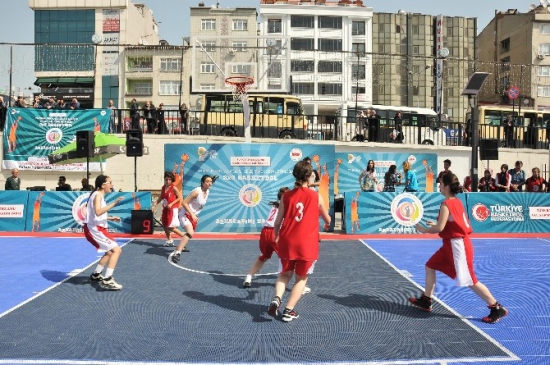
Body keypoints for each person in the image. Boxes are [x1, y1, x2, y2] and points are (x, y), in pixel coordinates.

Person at [410, 173, 508, 324]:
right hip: (452, 244)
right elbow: (449, 223)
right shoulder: (456, 201)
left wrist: (422, 229)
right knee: (430, 266)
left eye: (441, 183)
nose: (439, 185)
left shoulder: (445, 204)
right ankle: (426, 300)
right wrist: (434, 225)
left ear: (447, 186)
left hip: (457, 246)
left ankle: (496, 307)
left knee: (470, 280)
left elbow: (440, 228)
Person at [268, 160, 331, 322]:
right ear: (309, 175)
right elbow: (327, 218)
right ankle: (288, 310)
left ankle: (276, 298)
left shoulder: (286, 196)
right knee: (301, 278)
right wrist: (327, 220)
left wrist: (276, 235)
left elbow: (277, 221)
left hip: (287, 240)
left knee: (284, 274)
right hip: (306, 243)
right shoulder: (315, 196)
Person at [243, 187, 290, 288]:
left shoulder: (275, 206)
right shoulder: (286, 206)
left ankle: (249, 276)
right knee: (287, 259)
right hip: (275, 232)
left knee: (263, 257)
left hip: (265, 232)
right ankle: (295, 284)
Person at [84, 175, 124, 290]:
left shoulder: (98, 195)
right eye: (110, 183)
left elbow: (94, 214)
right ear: (103, 185)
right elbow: (97, 212)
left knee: (110, 252)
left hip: (96, 228)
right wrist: (114, 204)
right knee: (117, 250)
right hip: (95, 229)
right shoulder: (97, 195)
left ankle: (96, 275)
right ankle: (107, 279)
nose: (112, 185)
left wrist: (110, 218)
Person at [170, 174, 218, 263]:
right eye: (207, 181)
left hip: (192, 216)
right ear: (202, 183)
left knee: (190, 234)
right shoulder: (197, 192)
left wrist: (194, 215)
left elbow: (199, 203)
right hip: (185, 214)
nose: (209, 183)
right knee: (190, 232)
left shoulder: (207, 191)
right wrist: (192, 214)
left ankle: (179, 247)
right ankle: (178, 252)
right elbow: (184, 202)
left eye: (211, 182)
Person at [153, 171, 185, 247]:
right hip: (165, 209)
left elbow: (180, 197)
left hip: (172, 209)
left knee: (171, 227)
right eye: (166, 179)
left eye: (169, 179)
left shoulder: (174, 188)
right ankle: (170, 240)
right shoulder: (163, 188)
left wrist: (171, 204)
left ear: (172, 180)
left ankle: (184, 236)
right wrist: (154, 204)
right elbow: (161, 197)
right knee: (164, 225)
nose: (168, 181)